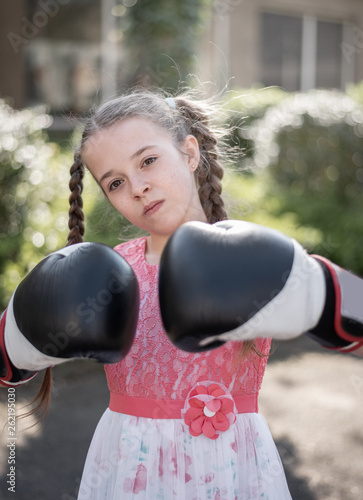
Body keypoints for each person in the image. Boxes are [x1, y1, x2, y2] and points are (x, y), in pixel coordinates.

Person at [68, 89, 293, 499]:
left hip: (233, 471)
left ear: (190, 153)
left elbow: (338, 310)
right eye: (116, 182)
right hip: (129, 472)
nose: (137, 187)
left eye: (148, 161)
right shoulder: (111, 276)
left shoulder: (250, 255)